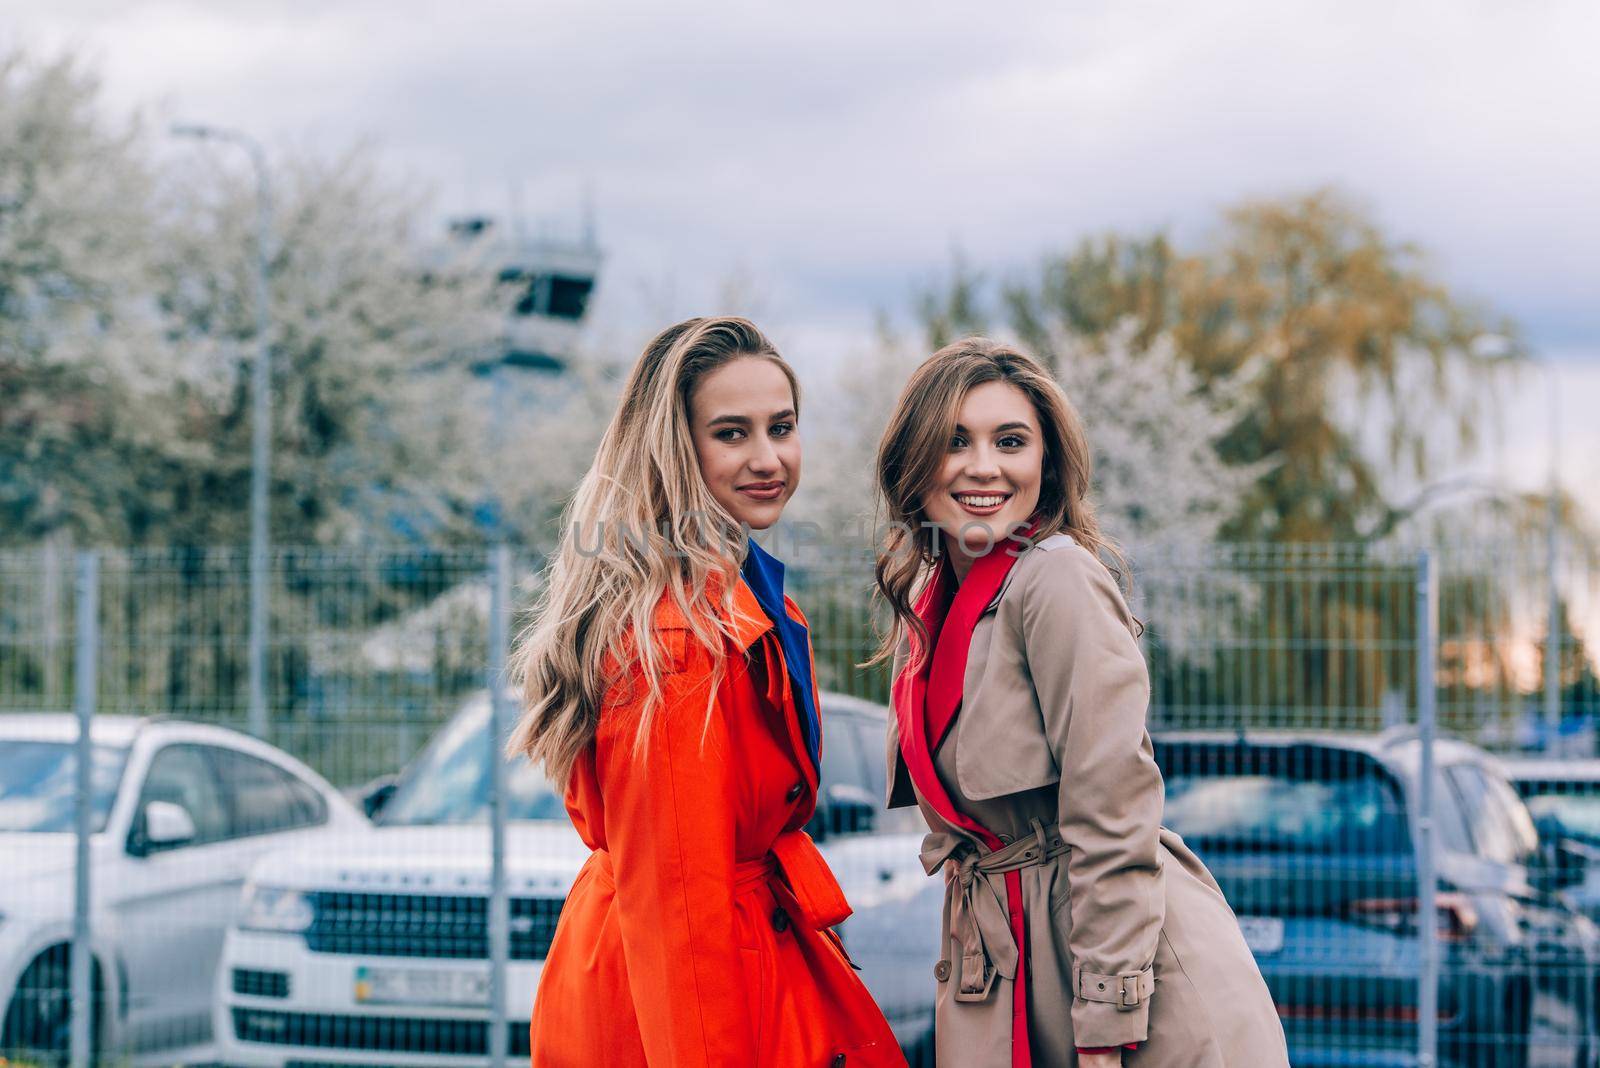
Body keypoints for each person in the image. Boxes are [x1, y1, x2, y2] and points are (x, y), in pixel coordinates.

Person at [872, 337, 1288, 1068]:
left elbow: (1114, 809)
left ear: (1046, 463)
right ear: (915, 463)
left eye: (1011, 441)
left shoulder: (1056, 580)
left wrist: (1108, 1013)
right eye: (954, 441)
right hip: (1005, 963)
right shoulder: (926, 605)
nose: (984, 466)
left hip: (1118, 976)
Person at [509, 317, 905, 1068]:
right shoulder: (678, 644)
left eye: (781, 427)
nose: (769, 459)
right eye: (732, 434)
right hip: (692, 1002)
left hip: (738, 960)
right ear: (676, 451)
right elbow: (679, 913)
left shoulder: (741, 595)